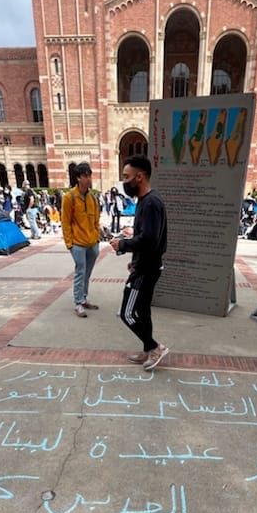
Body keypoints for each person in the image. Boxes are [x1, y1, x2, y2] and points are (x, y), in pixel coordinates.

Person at [109, 155, 169, 371]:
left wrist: (123, 245)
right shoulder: (145, 201)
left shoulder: (151, 202)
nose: (124, 181)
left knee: (127, 312)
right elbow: (147, 237)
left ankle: (155, 347)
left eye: (127, 177)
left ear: (139, 177)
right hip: (144, 266)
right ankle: (147, 349)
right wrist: (135, 259)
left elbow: (150, 240)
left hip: (147, 270)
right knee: (142, 311)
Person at [61, 161, 101, 317]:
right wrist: (69, 244)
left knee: (87, 273)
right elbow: (65, 222)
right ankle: (78, 303)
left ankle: (83, 298)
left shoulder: (92, 198)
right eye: (85, 176)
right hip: (78, 244)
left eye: (89, 175)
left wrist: (97, 238)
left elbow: (96, 220)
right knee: (80, 273)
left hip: (92, 243)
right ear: (78, 178)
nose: (88, 179)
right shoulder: (69, 197)